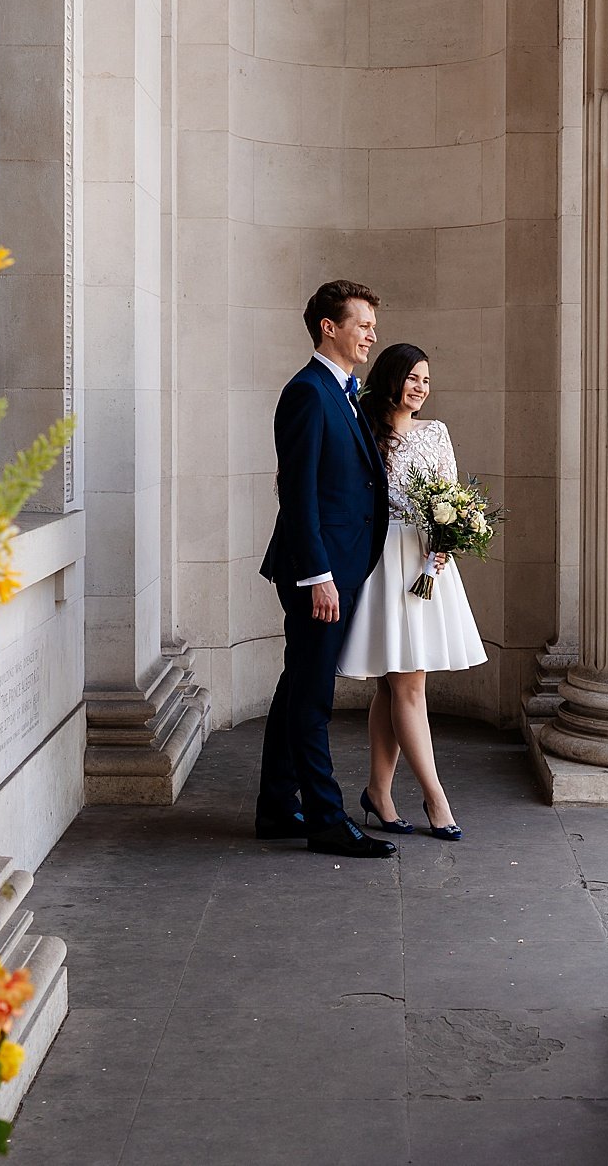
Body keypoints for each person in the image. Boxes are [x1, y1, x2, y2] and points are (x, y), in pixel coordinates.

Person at [255, 281, 396, 859]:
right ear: (328, 328)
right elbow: (299, 493)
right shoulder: (308, 392)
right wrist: (318, 576)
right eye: (362, 323)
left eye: (372, 324)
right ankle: (327, 819)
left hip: (342, 565)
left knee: (297, 689)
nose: (372, 334)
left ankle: (273, 807)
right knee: (313, 698)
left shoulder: (344, 392)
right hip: (318, 572)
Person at [338, 343, 487, 841]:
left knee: (396, 684)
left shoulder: (436, 433)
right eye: (413, 378)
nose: (421, 387)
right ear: (392, 378)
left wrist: (450, 540)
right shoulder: (364, 427)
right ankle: (435, 798)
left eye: (427, 379)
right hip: (382, 562)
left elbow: (451, 496)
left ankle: (379, 792)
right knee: (405, 684)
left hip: (426, 564)